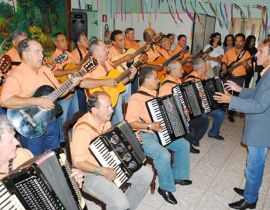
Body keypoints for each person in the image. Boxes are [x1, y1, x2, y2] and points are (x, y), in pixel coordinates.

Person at [213, 37, 270, 210]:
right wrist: (240, 90)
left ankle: (250, 200)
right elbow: (259, 93)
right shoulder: (267, 72)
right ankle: (249, 190)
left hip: (262, 130)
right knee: (252, 163)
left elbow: (260, 104)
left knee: (254, 166)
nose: (256, 54)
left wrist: (231, 99)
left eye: (261, 51)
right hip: (259, 126)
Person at [70, 91, 152, 210]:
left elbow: (113, 142)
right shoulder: (82, 130)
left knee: (146, 174)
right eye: (107, 107)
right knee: (120, 204)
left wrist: (133, 139)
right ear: (94, 109)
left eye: (111, 106)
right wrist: (103, 171)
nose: (112, 110)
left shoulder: (105, 121)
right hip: (91, 172)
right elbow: (78, 162)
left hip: (111, 162)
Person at [0, 39, 81, 156]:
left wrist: (70, 85)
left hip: (51, 121)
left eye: (42, 52)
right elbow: (5, 101)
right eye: (38, 52)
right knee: (36, 160)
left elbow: (58, 92)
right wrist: (37, 101)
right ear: (26, 54)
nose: (42, 55)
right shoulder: (16, 74)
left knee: (55, 157)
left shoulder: (45, 71)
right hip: (29, 125)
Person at [126, 66, 191, 205]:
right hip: (145, 135)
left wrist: (182, 113)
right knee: (163, 154)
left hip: (162, 132)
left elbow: (170, 115)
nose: (158, 80)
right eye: (156, 78)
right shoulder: (136, 98)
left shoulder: (156, 96)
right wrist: (149, 126)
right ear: (146, 80)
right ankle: (165, 187)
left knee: (184, 145)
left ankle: (178, 175)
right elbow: (130, 123)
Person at [158, 61, 209, 153]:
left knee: (204, 118)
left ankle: (192, 139)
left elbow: (183, 96)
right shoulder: (166, 86)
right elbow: (166, 109)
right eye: (180, 69)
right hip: (175, 119)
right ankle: (188, 141)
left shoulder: (177, 80)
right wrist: (181, 111)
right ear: (173, 70)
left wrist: (197, 95)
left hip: (185, 112)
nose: (183, 71)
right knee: (194, 123)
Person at [185, 58, 225, 140]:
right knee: (204, 118)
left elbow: (209, 88)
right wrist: (197, 95)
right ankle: (193, 139)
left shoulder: (203, 77)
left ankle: (213, 133)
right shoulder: (190, 80)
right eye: (206, 66)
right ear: (202, 68)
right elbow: (188, 99)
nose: (207, 68)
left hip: (206, 105)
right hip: (197, 109)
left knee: (220, 113)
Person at [51, 32, 80, 143]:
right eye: (62, 40)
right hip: (63, 90)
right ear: (55, 43)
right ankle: (63, 141)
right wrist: (70, 71)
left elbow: (77, 66)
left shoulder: (70, 54)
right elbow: (52, 72)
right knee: (62, 117)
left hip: (74, 88)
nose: (66, 42)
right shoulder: (54, 57)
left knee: (75, 114)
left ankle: (73, 138)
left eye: (66, 40)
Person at [222, 33, 251, 122]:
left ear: (243, 42)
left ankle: (231, 114)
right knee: (225, 92)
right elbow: (224, 61)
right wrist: (224, 68)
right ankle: (222, 110)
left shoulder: (246, 54)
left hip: (239, 78)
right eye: (236, 41)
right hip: (229, 76)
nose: (238, 43)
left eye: (240, 41)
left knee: (235, 96)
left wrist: (246, 65)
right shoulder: (229, 51)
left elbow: (249, 69)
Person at [71, 32, 90, 112]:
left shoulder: (87, 51)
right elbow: (76, 69)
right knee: (81, 107)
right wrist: (87, 57)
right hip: (80, 85)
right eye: (85, 40)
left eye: (87, 39)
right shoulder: (75, 53)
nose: (87, 41)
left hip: (88, 82)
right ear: (78, 43)